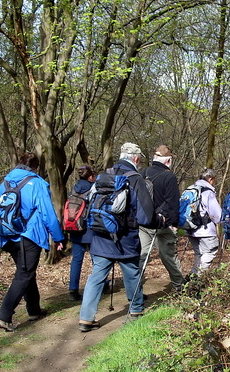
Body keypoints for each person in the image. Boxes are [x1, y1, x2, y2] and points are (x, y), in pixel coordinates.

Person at [78, 142, 154, 332]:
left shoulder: (103, 176)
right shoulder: (135, 179)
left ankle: (86, 318)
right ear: (136, 159)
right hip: (125, 240)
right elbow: (146, 217)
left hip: (100, 236)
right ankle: (136, 310)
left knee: (96, 276)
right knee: (132, 273)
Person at [0, 152, 65, 332]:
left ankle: (34, 310)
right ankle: (4, 316)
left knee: (26, 272)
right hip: (28, 236)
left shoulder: (6, 182)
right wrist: (58, 237)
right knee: (24, 275)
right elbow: (48, 213)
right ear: (36, 167)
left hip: (7, 236)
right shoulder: (37, 183)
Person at [138, 145, 183, 292]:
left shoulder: (142, 172)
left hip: (144, 223)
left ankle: (135, 291)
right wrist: (175, 223)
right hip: (163, 224)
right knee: (169, 257)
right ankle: (179, 286)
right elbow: (173, 202)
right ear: (168, 160)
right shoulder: (168, 176)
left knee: (141, 257)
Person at [68, 165, 97, 302]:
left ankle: (73, 289)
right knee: (97, 260)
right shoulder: (94, 188)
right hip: (91, 230)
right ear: (91, 176)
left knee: (76, 260)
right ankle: (102, 284)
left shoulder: (73, 189)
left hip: (75, 228)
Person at [187, 168, 222, 275]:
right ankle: (198, 278)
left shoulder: (191, 189)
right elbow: (217, 215)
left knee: (199, 254)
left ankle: (192, 278)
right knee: (209, 253)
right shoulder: (208, 192)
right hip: (205, 231)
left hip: (190, 228)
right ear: (210, 179)